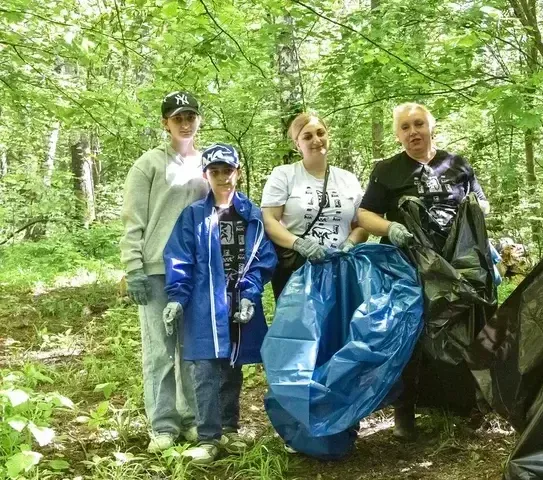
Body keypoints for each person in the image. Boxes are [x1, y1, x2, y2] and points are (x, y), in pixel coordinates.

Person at [357, 102, 490, 440]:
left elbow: (481, 204)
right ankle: (405, 411)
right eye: (405, 127)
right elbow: (365, 216)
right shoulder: (387, 171)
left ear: (432, 126)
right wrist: (390, 229)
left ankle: (469, 405)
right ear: (397, 134)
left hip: (459, 265)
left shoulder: (457, 165)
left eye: (418, 124)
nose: (413, 131)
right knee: (411, 335)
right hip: (410, 266)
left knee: (467, 328)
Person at [163, 143, 277, 464]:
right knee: (205, 369)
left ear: (237, 172)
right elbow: (180, 259)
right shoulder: (194, 216)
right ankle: (208, 437)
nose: (222, 177)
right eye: (215, 172)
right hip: (204, 305)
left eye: (227, 170)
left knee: (232, 366)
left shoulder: (252, 215)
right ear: (206, 176)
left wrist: (251, 296)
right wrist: (176, 298)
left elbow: (262, 261)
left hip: (239, 303)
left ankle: (229, 427)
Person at [119, 91, 208, 453]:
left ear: (197, 119)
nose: (184, 123)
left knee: (190, 349)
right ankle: (163, 424)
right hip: (156, 270)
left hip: (196, 271)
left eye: (190, 116)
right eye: (177, 118)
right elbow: (133, 220)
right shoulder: (149, 165)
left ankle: (190, 418)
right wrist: (133, 268)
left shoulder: (207, 163)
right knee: (160, 350)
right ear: (165, 123)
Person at [261, 113, 368, 300]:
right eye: (307, 136)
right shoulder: (284, 175)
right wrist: (298, 244)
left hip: (340, 269)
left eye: (321, 133)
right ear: (297, 144)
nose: (316, 140)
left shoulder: (347, 179)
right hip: (298, 271)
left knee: (341, 325)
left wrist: (350, 244)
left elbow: (362, 224)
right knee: (300, 328)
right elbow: (269, 220)